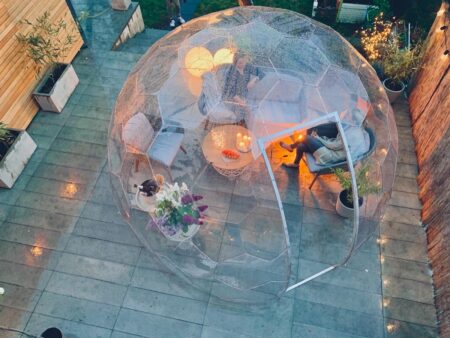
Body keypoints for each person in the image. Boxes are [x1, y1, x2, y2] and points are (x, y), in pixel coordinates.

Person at [280, 123, 369, 168]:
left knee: (305, 137)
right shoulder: (355, 129)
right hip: (328, 149)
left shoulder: (351, 136)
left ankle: (290, 147)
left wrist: (318, 138)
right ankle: (296, 164)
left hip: (328, 155)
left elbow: (332, 146)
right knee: (300, 146)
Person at [222, 53, 264, 118]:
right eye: (240, 63)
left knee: (251, 113)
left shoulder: (247, 67)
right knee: (243, 115)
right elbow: (232, 94)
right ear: (235, 63)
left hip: (243, 96)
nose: (243, 64)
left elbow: (262, 73)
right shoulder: (232, 73)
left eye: (244, 62)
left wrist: (254, 80)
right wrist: (246, 107)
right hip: (231, 99)